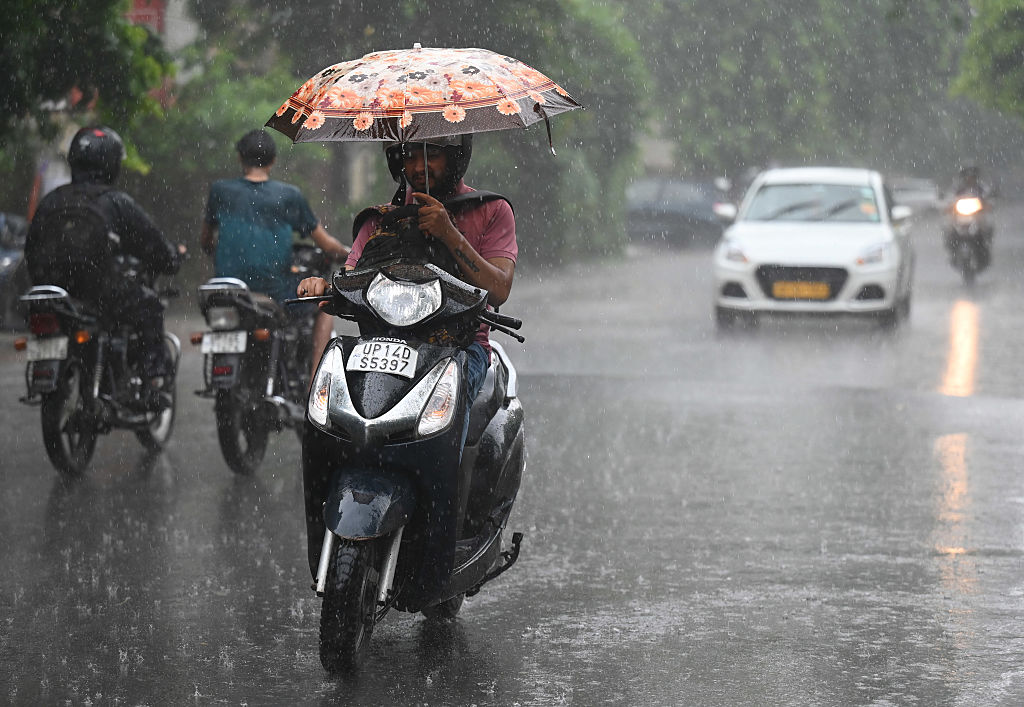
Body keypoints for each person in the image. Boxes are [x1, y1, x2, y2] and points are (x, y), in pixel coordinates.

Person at [296, 134, 517, 425]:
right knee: (335, 424)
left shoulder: (491, 210)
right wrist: (326, 287)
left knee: (441, 433)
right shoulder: (380, 220)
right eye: (410, 156)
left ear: (456, 157)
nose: (419, 167)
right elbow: (350, 281)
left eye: (432, 155)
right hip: (379, 348)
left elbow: (499, 290)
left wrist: (449, 233)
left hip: (459, 349)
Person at [25, 125, 182, 405]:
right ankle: (154, 382)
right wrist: (171, 258)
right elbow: (154, 245)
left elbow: (31, 247)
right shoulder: (116, 202)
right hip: (101, 295)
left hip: (55, 296)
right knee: (149, 305)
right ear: (112, 164)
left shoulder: (52, 201)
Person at [201, 129, 349, 370]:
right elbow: (325, 244)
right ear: (272, 161)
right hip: (273, 289)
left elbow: (206, 240)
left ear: (240, 158)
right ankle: (315, 381)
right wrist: (350, 254)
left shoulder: (220, 191)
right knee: (325, 302)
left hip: (227, 288)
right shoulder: (289, 195)